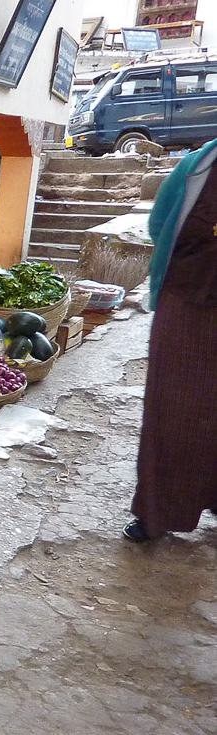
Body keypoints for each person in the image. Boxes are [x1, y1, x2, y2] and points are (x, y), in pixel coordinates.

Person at [125, 137, 217, 542]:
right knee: (173, 407)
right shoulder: (197, 165)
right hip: (187, 302)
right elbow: (159, 225)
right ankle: (156, 511)